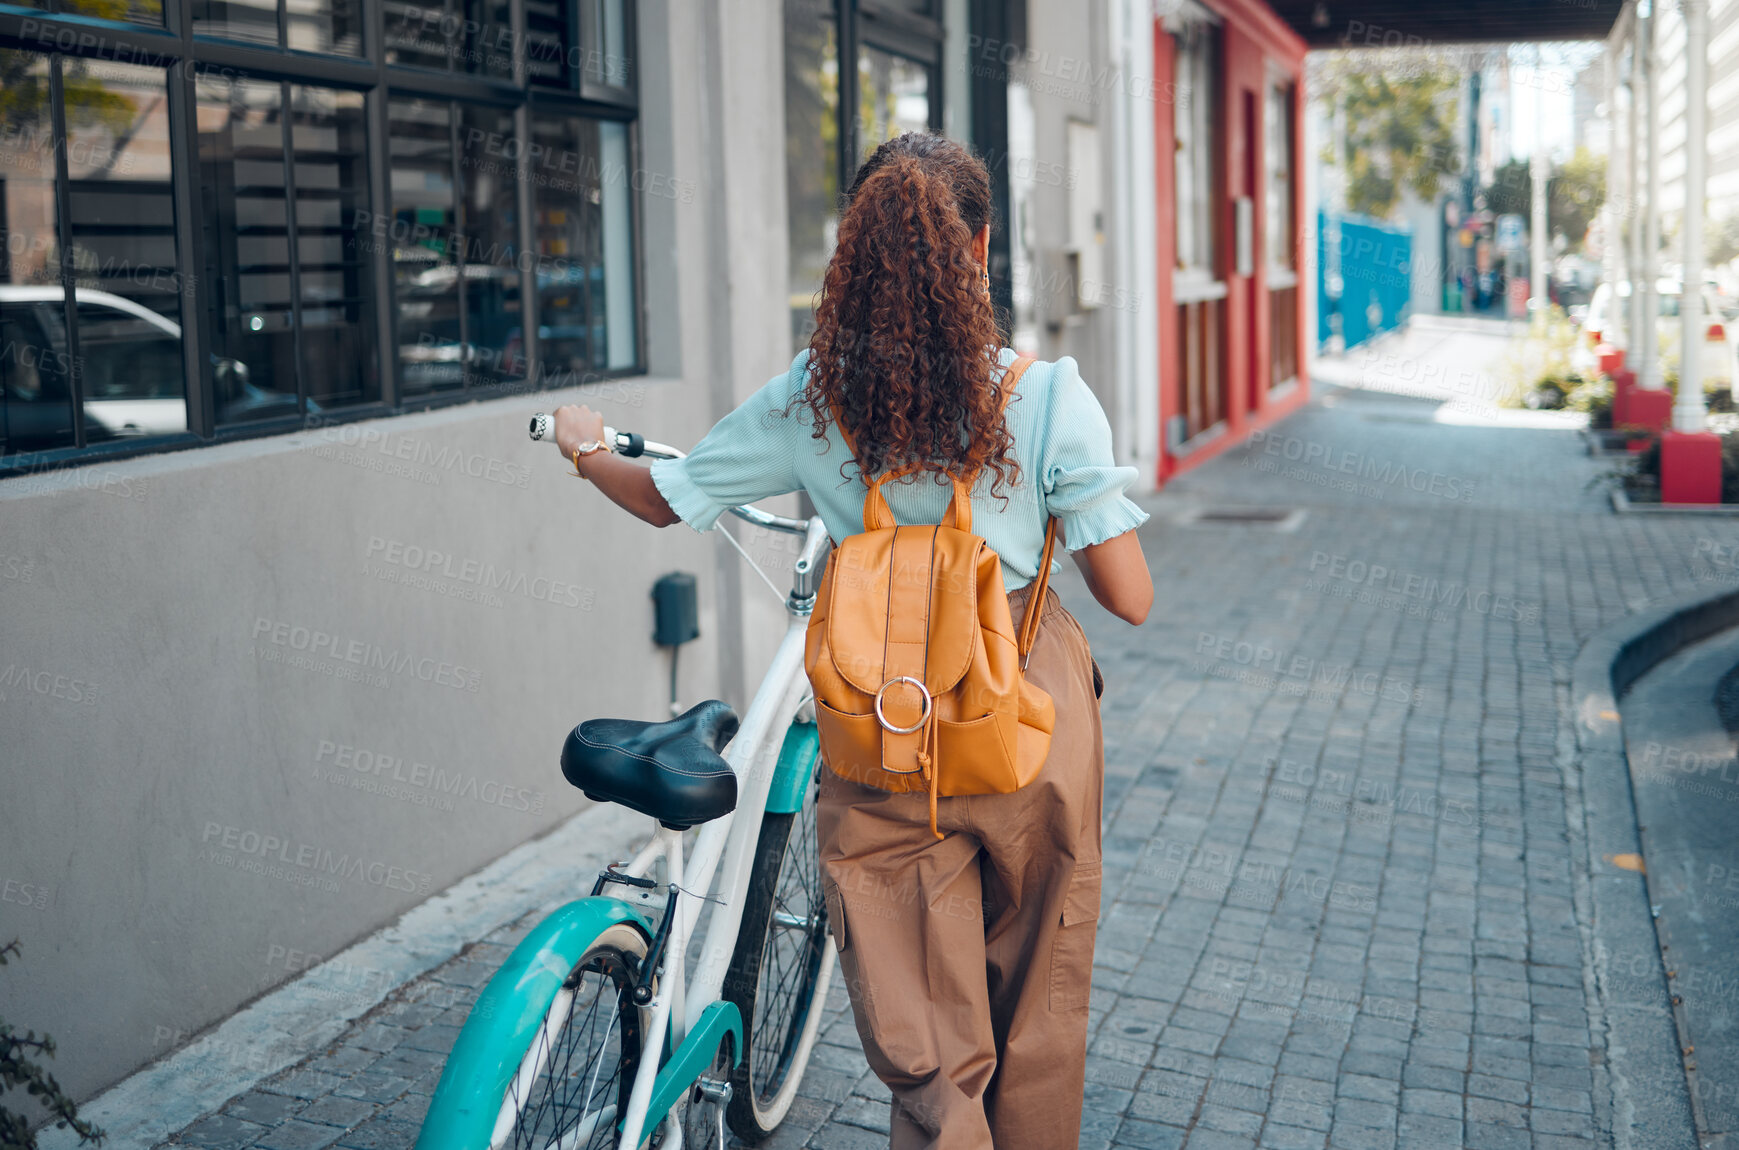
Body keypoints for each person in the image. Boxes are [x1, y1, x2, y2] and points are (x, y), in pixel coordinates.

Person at [549, 131, 1152, 1150]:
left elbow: (663, 498)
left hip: (880, 726)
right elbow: (1128, 597)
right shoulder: (1045, 399)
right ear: (980, 245)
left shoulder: (813, 397)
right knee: (1038, 1007)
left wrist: (580, 446)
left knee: (924, 1037)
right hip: (1028, 722)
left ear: (855, 254)